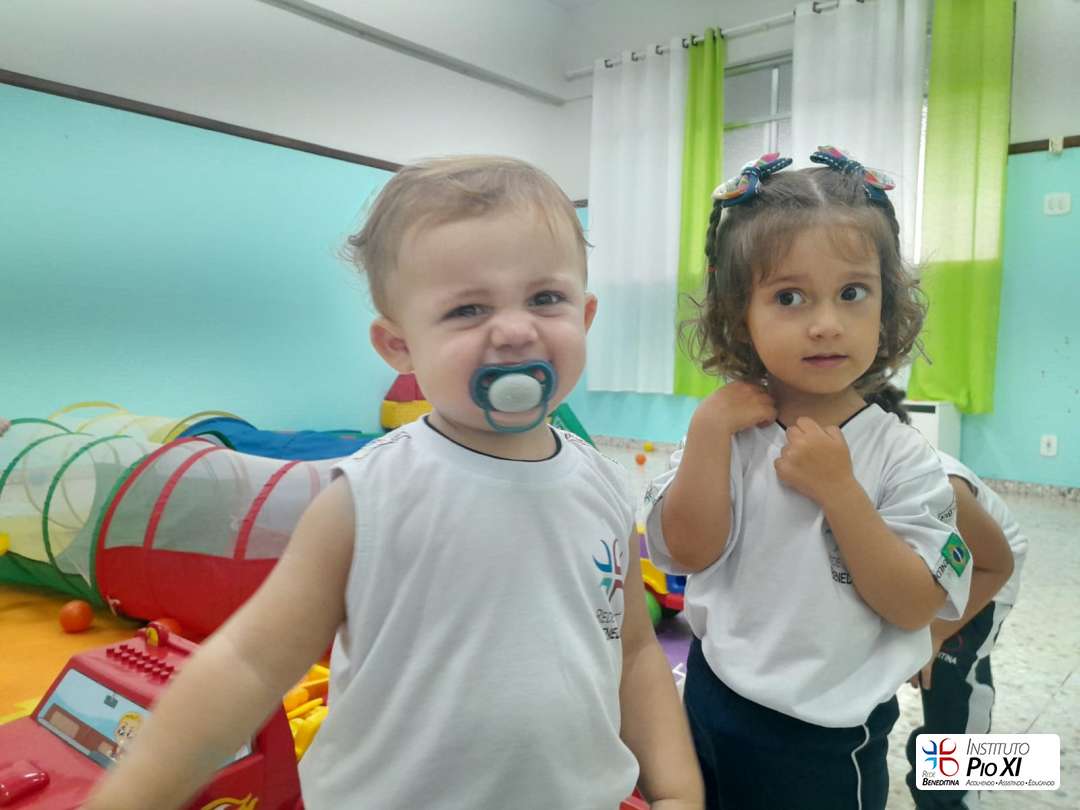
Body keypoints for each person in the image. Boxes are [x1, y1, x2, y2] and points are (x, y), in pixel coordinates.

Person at [85, 156, 703, 810]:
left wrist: (677, 790)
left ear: (586, 313)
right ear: (399, 346)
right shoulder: (368, 499)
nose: (515, 329)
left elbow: (636, 653)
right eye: (468, 308)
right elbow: (249, 663)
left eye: (545, 298)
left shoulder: (601, 484)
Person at [642, 147, 973, 810]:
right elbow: (684, 553)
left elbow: (915, 604)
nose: (825, 324)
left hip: (823, 734)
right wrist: (708, 434)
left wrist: (840, 492)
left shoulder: (902, 458)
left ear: (886, 305)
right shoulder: (725, 431)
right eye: (788, 297)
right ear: (740, 315)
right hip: (709, 692)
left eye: (853, 293)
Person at [866, 385, 1024, 810]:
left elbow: (993, 565)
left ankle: (957, 794)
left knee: (953, 683)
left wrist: (936, 634)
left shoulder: (942, 485)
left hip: (983, 576)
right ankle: (927, 765)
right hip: (929, 565)